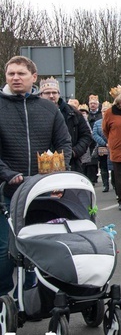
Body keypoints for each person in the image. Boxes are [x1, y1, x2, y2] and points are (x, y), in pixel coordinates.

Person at [0, 56, 72, 296]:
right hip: (7, 191)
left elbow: (64, 143)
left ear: (34, 77)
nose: (15, 78)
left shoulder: (48, 108)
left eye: (21, 73)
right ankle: (4, 297)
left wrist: (58, 175)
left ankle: (33, 292)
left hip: (41, 191)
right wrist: (8, 173)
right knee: (5, 250)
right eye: (11, 74)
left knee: (40, 244)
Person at [92, 101, 112, 192]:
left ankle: (115, 184)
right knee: (103, 167)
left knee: (113, 167)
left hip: (113, 146)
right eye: (103, 111)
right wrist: (104, 143)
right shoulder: (97, 123)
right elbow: (95, 134)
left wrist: (111, 142)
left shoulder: (113, 121)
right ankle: (105, 185)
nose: (105, 113)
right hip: (102, 148)